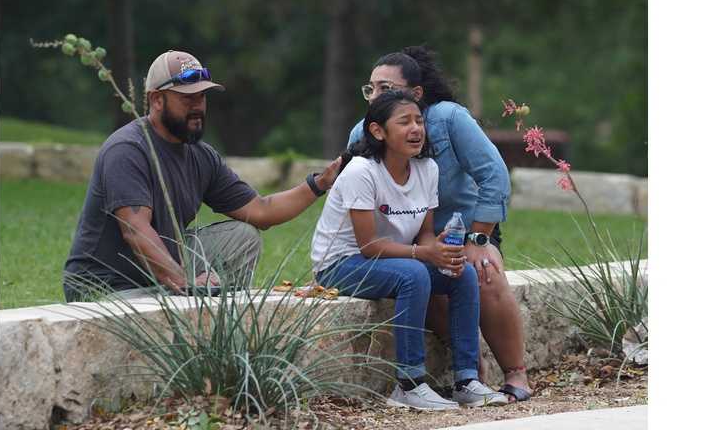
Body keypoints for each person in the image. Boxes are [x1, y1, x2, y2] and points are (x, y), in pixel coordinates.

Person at [63, 50, 341, 302]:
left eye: (202, 96)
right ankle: (191, 305)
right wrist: (185, 283)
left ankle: (216, 325)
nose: (198, 106)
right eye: (187, 98)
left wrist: (319, 184)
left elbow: (259, 211)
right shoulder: (127, 149)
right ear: (156, 99)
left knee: (244, 235)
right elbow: (136, 232)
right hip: (106, 286)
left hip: (161, 276)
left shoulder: (200, 155)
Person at [346, 46, 532, 402]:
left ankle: (516, 373)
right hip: (404, 238)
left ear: (416, 94)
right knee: (424, 281)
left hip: (468, 228)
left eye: (385, 88)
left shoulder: (448, 119)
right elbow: (352, 199)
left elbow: (494, 177)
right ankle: (471, 368)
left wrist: (477, 241)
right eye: (370, 88)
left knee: (482, 271)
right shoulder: (364, 131)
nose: (375, 97)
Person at [312, 90, 507, 410]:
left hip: (393, 259)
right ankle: (410, 385)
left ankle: (468, 381)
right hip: (340, 264)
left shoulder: (426, 169)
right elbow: (368, 245)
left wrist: (442, 251)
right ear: (378, 131)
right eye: (404, 122)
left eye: (419, 120)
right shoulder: (361, 171)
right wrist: (425, 255)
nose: (416, 128)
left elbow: (425, 234)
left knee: (461, 273)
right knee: (415, 274)